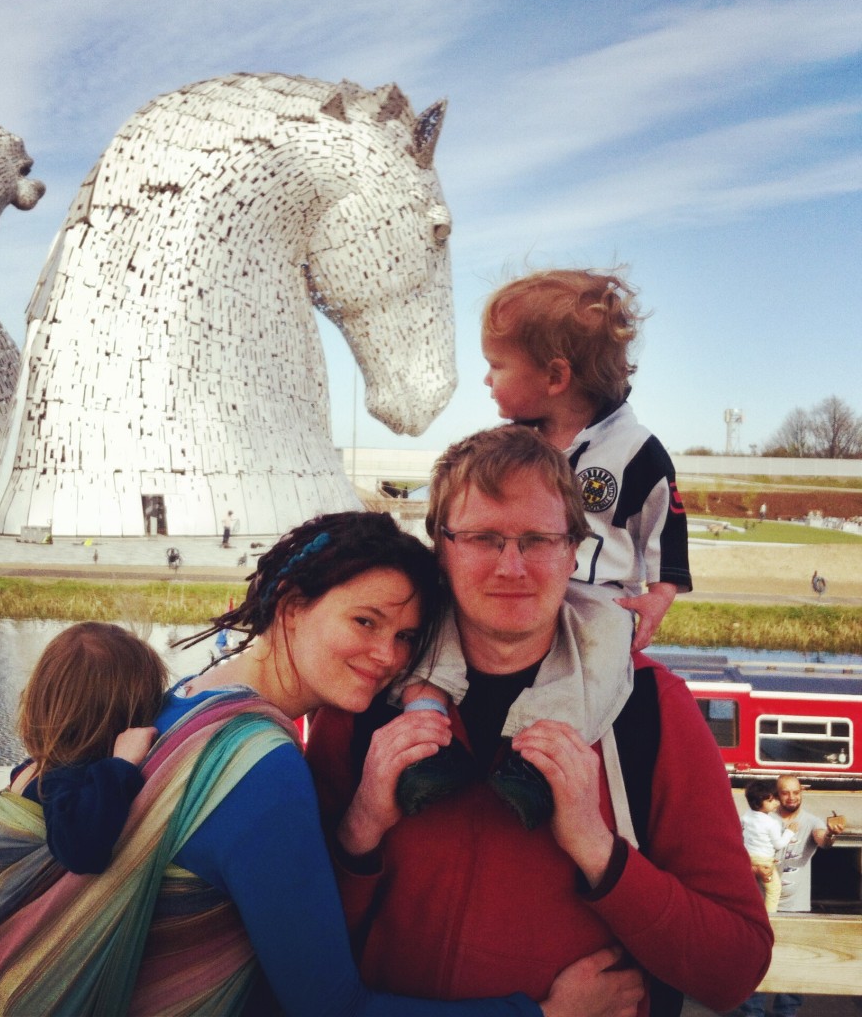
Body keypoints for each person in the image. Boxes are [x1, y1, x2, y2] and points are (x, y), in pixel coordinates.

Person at [0, 511, 640, 1017]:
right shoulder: (259, 763)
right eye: (366, 622)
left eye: (408, 637)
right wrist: (543, 1015)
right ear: (292, 609)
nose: (388, 656)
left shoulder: (178, 699)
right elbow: (329, 1007)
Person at [307, 426, 772, 1017]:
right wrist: (360, 827)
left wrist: (599, 852)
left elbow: (734, 968)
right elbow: (290, 939)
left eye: (538, 538)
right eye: (482, 537)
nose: (512, 566)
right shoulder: (368, 696)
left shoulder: (651, 710)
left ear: (574, 549)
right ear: (440, 548)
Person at [396, 269, 690, 824]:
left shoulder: (636, 449)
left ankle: (538, 762)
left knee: (599, 665)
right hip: (532, 587)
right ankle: (427, 731)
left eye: (497, 365)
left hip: (600, 596)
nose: (486, 381)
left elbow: (665, 522)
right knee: (437, 621)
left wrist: (660, 595)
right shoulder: (517, 444)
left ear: (555, 375)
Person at [0, 622, 166, 875]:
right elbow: (82, 854)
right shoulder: (62, 779)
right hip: (40, 911)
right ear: (125, 716)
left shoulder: (43, 767)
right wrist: (120, 765)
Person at [738, 774, 842, 1017]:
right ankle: (753, 1012)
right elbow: (740, 851)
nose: (792, 797)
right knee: (758, 960)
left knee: (796, 961)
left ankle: (786, 1012)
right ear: (776, 794)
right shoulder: (762, 816)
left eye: (797, 792)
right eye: (786, 792)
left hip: (796, 904)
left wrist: (831, 834)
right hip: (761, 903)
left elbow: (822, 840)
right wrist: (752, 867)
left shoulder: (811, 820)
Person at [740, 779, 793, 914]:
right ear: (758, 803)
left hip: (749, 858)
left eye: (775, 798)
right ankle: (770, 918)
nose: (776, 802)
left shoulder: (746, 816)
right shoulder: (771, 822)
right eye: (770, 800)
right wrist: (790, 832)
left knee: (751, 890)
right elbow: (779, 844)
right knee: (774, 890)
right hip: (765, 862)